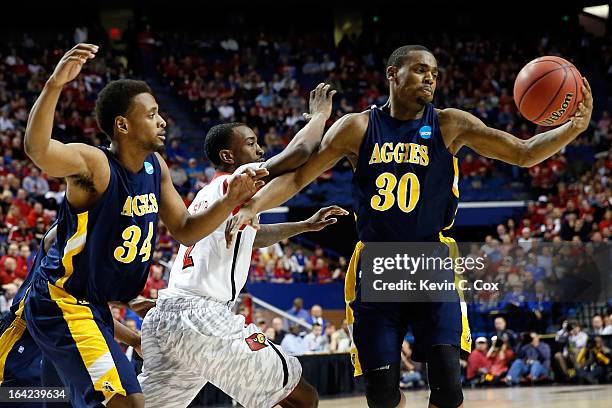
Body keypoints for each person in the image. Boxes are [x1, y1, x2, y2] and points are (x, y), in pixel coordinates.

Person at [227, 44, 593, 408]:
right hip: (377, 265)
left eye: (434, 72)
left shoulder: (451, 123)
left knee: (449, 389)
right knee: (381, 395)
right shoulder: (357, 127)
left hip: (431, 262)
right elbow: (298, 178)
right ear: (392, 73)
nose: (430, 77)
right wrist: (253, 207)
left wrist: (573, 129)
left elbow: (524, 153)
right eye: (420, 69)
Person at [20, 43, 265, 408]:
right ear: (123, 124)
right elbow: (38, 150)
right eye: (151, 114)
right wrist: (54, 85)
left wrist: (230, 202)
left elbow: (185, 229)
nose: (163, 121)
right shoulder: (95, 165)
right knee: (130, 403)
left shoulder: (156, 167)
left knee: (80, 400)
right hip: (63, 302)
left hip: (96, 306)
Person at [138, 84, 345, 407]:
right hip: (202, 316)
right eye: (251, 143)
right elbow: (300, 154)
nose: (260, 150)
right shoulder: (235, 180)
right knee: (303, 397)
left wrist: (303, 226)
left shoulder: (211, 196)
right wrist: (319, 116)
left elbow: (252, 237)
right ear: (228, 156)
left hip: (167, 318)